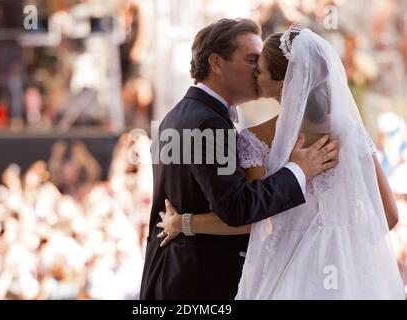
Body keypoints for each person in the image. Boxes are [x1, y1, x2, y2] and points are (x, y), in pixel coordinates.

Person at [158, 24, 404, 299]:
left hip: (285, 270)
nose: (255, 74)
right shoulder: (350, 132)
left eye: (259, 68)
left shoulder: (254, 138)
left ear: (283, 83)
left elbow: (250, 218)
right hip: (348, 275)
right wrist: (341, 247)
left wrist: (182, 223)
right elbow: (390, 215)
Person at [140, 18, 339, 300]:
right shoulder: (209, 123)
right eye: (251, 60)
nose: (258, 69)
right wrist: (298, 170)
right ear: (217, 63)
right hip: (200, 284)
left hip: (169, 278)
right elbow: (235, 208)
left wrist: (183, 223)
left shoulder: (174, 117)